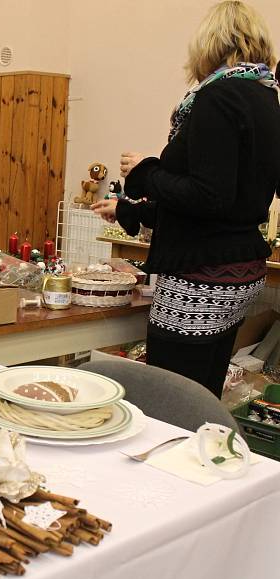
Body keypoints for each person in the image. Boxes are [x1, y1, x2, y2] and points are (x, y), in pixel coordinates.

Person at [91, 0, 280, 397]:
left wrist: (145, 172)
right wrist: (127, 209)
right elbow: (224, 203)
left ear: (211, 43)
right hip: (239, 270)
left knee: (169, 404)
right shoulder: (265, 97)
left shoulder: (219, 97)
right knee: (203, 398)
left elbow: (208, 197)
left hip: (201, 279)